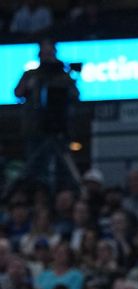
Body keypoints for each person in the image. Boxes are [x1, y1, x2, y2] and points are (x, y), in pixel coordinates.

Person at [13, 39, 80, 189]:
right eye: (45, 53)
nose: (47, 56)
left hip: (60, 127)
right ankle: (36, 192)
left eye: (50, 53)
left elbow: (75, 95)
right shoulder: (31, 74)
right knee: (36, 166)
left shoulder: (63, 76)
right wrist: (30, 86)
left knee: (62, 166)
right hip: (35, 127)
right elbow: (17, 93)